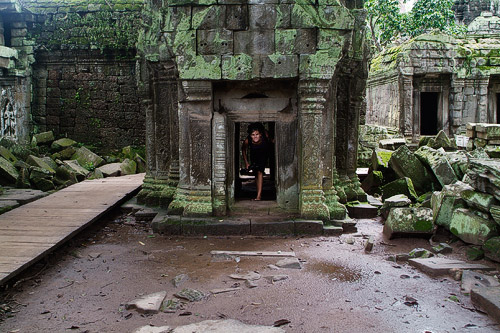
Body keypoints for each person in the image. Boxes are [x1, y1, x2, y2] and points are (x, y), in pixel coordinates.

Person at [241, 123, 272, 201]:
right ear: (250, 135)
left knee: (260, 172)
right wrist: (246, 162)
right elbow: (243, 149)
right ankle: (258, 193)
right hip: (254, 155)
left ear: (260, 134)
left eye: (257, 134)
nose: (255, 136)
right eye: (253, 135)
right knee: (256, 173)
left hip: (264, 153)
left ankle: (259, 196)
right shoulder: (248, 140)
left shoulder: (265, 136)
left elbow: (272, 140)